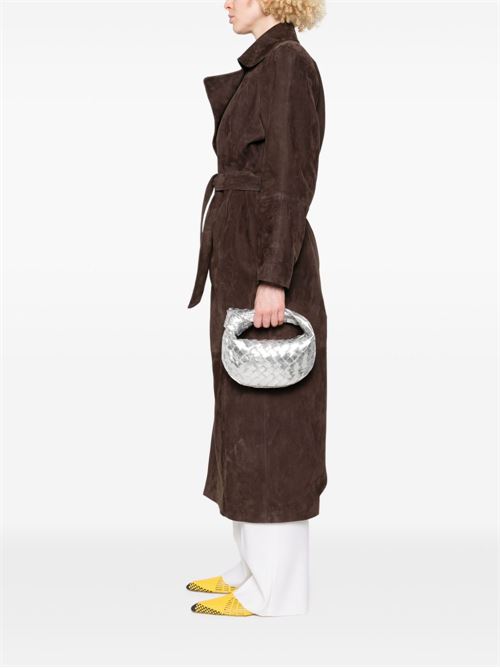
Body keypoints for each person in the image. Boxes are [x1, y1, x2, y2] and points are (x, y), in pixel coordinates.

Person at [186, 0, 328, 617]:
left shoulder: (289, 66)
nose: (226, 2)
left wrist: (274, 278)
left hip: (268, 262)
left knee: (275, 423)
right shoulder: (266, 66)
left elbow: (291, 181)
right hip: (243, 254)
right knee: (244, 415)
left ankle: (278, 593)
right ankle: (251, 569)